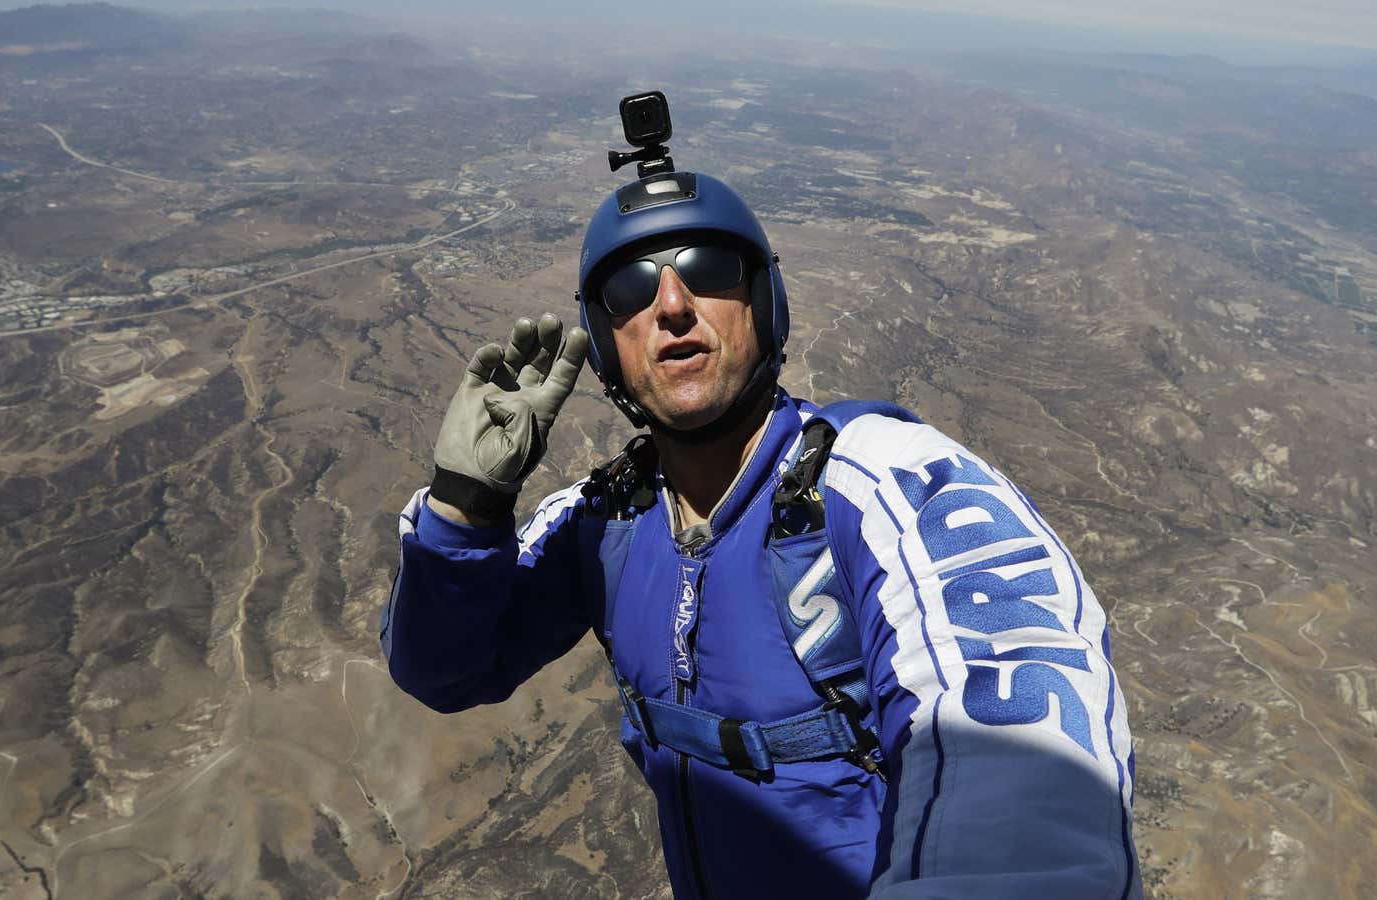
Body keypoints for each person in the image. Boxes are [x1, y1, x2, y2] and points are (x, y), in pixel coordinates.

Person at [381, 156, 1142, 899]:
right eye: (631, 288)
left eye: (709, 270)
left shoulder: (887, 485)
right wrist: (464, 507)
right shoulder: (605, 519)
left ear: (764, 302)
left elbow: (1024, 760)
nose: (673, 305)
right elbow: (443, 671)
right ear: (604, 342)